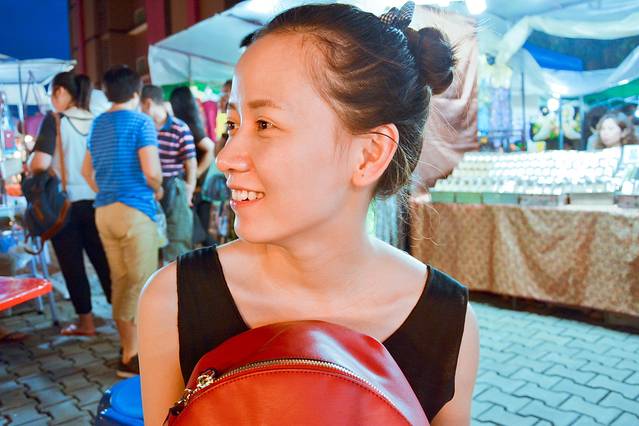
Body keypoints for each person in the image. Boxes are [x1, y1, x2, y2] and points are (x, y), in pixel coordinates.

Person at [139, 3, 479, 425]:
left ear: (369, 154)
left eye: (265, 124)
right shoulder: (172, 301)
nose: (226, 158)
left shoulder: (446, 322)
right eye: (232, 125)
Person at [82, 65, 162, 378]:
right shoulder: (141, 122)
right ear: (136, 93)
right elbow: (152, 171)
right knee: (141, 283)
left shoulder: (97, 123)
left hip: (104, 212)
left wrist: (108, 191)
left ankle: (128, 346)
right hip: (134, 211)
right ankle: (132, 354)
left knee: (121, 280)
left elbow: (86, 172)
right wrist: (158, 188)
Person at [30, 71, 111, 336]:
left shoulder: (55, 120)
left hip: (65, 205)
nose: (52, 100)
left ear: (62, 91)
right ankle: (123, 321)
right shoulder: (100, 118)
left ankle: (86, 323)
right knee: (105, 261)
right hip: (99, 200)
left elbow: (39, 163)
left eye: (52, 94)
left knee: (72, 265)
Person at [141, 85, 197, 261]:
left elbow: (190, 162)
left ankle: (177, 275)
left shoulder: (179, 127)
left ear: (148, 104)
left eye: (141, 107)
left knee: (177, 240)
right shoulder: (143, 128)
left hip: (174, 187)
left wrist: (189, 190)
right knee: (151, 241)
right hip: (148, 189)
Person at [169, 87, 216, 246]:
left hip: (195, 187)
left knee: (197, 231)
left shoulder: (188, 127)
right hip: (197, 187)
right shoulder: (192, 124)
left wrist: (196, 173)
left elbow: (210, 148)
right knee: (198, 231)